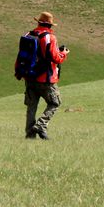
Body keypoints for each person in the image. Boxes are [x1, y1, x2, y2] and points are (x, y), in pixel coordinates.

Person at [20, 12, 69, 140]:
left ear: (39, 22)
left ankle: (30, 134)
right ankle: (40, 125)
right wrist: (63, 53)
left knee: (32, 106)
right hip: (45, 78)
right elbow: (55, 58)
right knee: (55, 102)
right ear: (50, 25)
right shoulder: (50, 38)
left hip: (29, 76)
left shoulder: (28, 35)